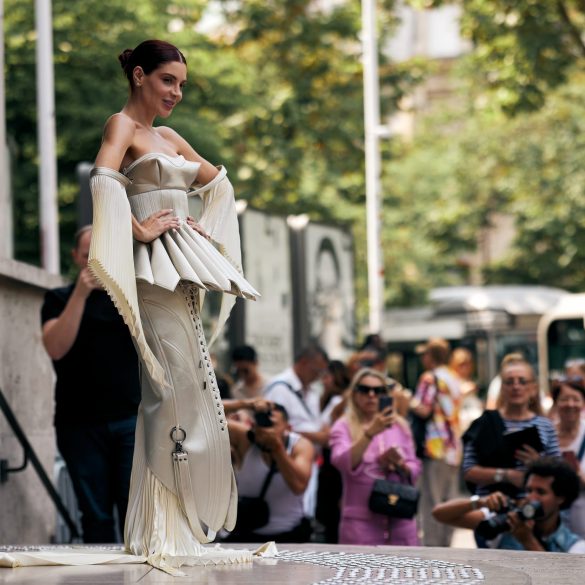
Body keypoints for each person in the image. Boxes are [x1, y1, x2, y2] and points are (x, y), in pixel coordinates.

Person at [88, 39, 259, 570]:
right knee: (169, 383)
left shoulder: (169, 137)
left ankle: (174, 521)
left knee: (193, 381)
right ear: (139, 75)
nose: (176, 92)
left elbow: (218, 184)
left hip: (182, 274)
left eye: (181, 83)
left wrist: (202, 234)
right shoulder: (123, 127)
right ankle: (162, 526)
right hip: (151, 274)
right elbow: (103, 178)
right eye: (168, 80)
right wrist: (138, 228)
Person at [41, 225, 141, 543]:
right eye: (88, 257)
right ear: (75, 257)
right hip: (79, 424)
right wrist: (80, 295)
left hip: (130, 419)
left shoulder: (129, 298)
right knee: (95, 516)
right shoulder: (58, 299)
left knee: (136, 511)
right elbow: (55, 347)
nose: (94, 264)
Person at [330, 368, 421, 546]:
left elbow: (415, 466)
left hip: (399, 517)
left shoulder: (400, 426)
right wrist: (369, 434)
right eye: (364, 390)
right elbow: (340, 461)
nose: (371, 395)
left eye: (378, 391)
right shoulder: (343, 426)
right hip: (361, 522)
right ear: (354, 393)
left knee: (402, 572)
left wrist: (400, 464)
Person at [432, 457, 585, 553]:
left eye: (541, 492)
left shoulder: (574, 546)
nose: (531, 497)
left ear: (561, 498)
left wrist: (527, 540)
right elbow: (439, 514)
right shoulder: (510, 520)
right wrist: (480, 502)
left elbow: (557, 580)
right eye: (529, 490)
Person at [462, 356, 560, 501]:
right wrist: (507, 475)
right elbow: (469, 471)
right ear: (502, 388)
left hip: (532, 508)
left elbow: (558, 472)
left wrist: (538, 463)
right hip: (491, 507)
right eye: (509, 382)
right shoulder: (484, 423)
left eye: (522, 381)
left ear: (533, 388)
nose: (516, 386)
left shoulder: (545, 426)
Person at [225, 404, 315, 542]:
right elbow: (205, 416)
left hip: (289, 536)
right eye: (260, 422)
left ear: (288, 428)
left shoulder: (300, 445)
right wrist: (246, 403)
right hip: (245, 535)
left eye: (271, 424)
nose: (263, 429)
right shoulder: (245, 439)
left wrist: (277, 448)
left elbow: (299, 486)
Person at [263, 344, 330, 518]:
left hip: (310, 464)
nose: (318, 377)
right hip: (286, 464)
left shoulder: (312, 392)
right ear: (303, 362)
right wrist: (316, 437)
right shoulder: (279, 388)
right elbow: (271, 430)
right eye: (316, 371)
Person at [409, 337, 462, 547]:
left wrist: (405, 401)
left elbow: (424, 408)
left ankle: (434, 553)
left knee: (432, 503)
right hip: (453, 447)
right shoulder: (453, 377)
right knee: (449, 501)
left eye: (425, 354)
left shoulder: (430, 378)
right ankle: (445, 547)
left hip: (435, 447)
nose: (423, 358)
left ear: (430, 356)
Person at [315, 360, 350, 543]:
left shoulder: (338, 402)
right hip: (326, 461)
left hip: (332, 461)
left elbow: (328, 435)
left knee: (331, 510)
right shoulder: (326, 400)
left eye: (327, 377)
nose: (323, 381)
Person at [551, 376, 585, 537]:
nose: (570, 404)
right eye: (564, 399)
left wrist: (577, 475)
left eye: (576, 399)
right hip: (552, 522)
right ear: (556, 403)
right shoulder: (547, 435)